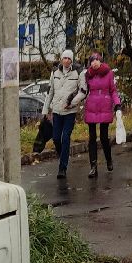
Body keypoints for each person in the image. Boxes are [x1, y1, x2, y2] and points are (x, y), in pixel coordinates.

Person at [42, 48, 85, 178]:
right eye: (64, 58)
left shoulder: (78, 73)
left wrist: (71, 103)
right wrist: (45, 110)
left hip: (70, 111)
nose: (66, 60)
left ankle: (63, 168)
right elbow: (50, 92)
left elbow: (83, 91)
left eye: (69, 58)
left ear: (72, 60)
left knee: (65, 138)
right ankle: (63, 156)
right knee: (56, 138)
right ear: (61, 59)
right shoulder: (55, 72)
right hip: (56, 110)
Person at [81, 51, 120, 179]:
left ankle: (109, 160)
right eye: (92, 61)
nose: (94, 62)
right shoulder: (88, 75)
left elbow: (113, 91)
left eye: (96, 60)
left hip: (104, 107)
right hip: (91, 107)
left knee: (103, 137)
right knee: (92, 138)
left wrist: (117, 105)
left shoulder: (108, 73)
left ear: (100, 61)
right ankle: (93, 167)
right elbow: (83, 90)